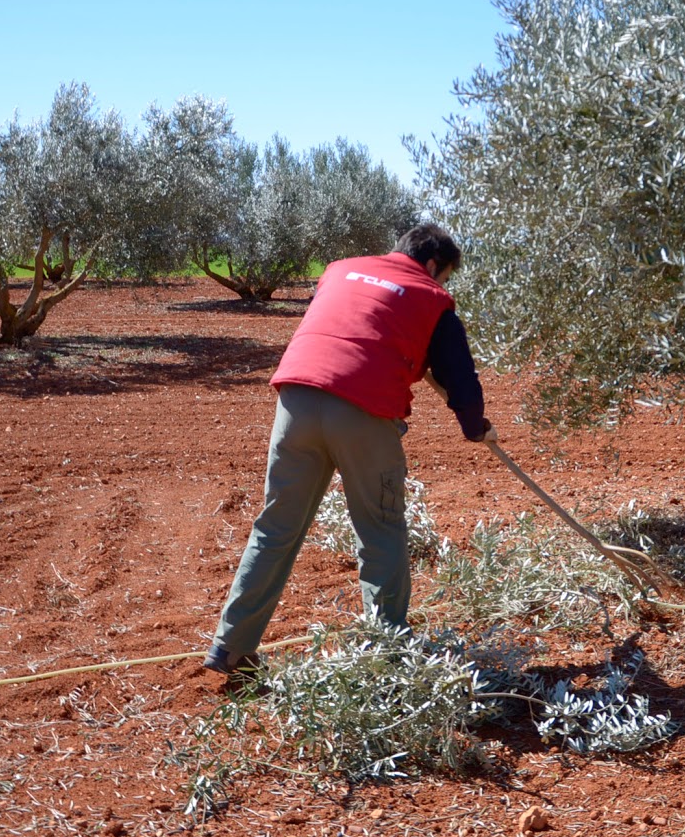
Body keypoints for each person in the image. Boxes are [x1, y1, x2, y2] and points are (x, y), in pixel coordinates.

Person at [203, 222, 493, 679]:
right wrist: (476, 428)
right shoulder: (431, 296)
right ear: (432, 264)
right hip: (362, 411)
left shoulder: (339, 271)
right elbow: (461, 378)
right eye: (445, 275)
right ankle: (387, 657)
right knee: (380, 531)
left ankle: (230, 647)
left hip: (296, 400)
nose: (444, 284)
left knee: (275, 527)